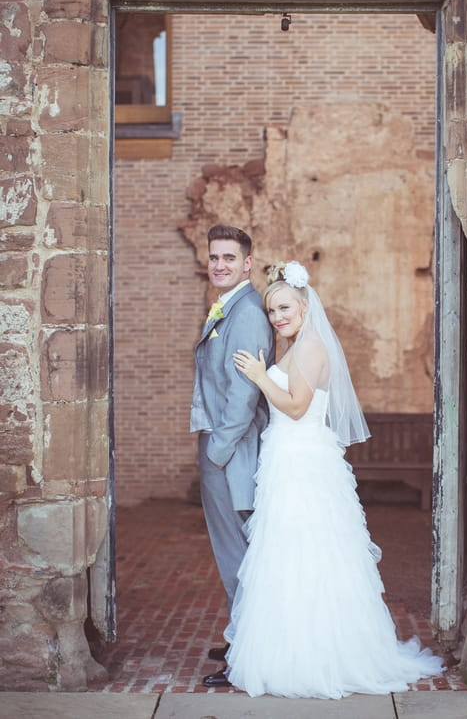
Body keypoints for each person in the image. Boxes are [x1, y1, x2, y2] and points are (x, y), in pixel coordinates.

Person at [225, 260, 445, 698]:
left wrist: (258, 377)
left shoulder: (311, 349)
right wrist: (270, 370)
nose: (278, 317)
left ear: (305, 306)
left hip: (303, 464)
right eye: (272, 311)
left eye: (285, 307)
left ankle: (320, 656)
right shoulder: (295, 349)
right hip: (287, 459)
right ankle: (289, 649)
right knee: (288, 555)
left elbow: (295, 407)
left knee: (311, 554)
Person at [190, 224, 275, 688]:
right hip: (223, 447)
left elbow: (243, 398)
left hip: (232, 453)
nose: (220, 264)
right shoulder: (229, 306)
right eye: (214, 257)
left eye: (229, 258)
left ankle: (246, 650)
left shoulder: (245, 314)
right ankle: (242, 632)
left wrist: (217, 454)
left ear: (247, 263)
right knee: (237, 554)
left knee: (237, 556)